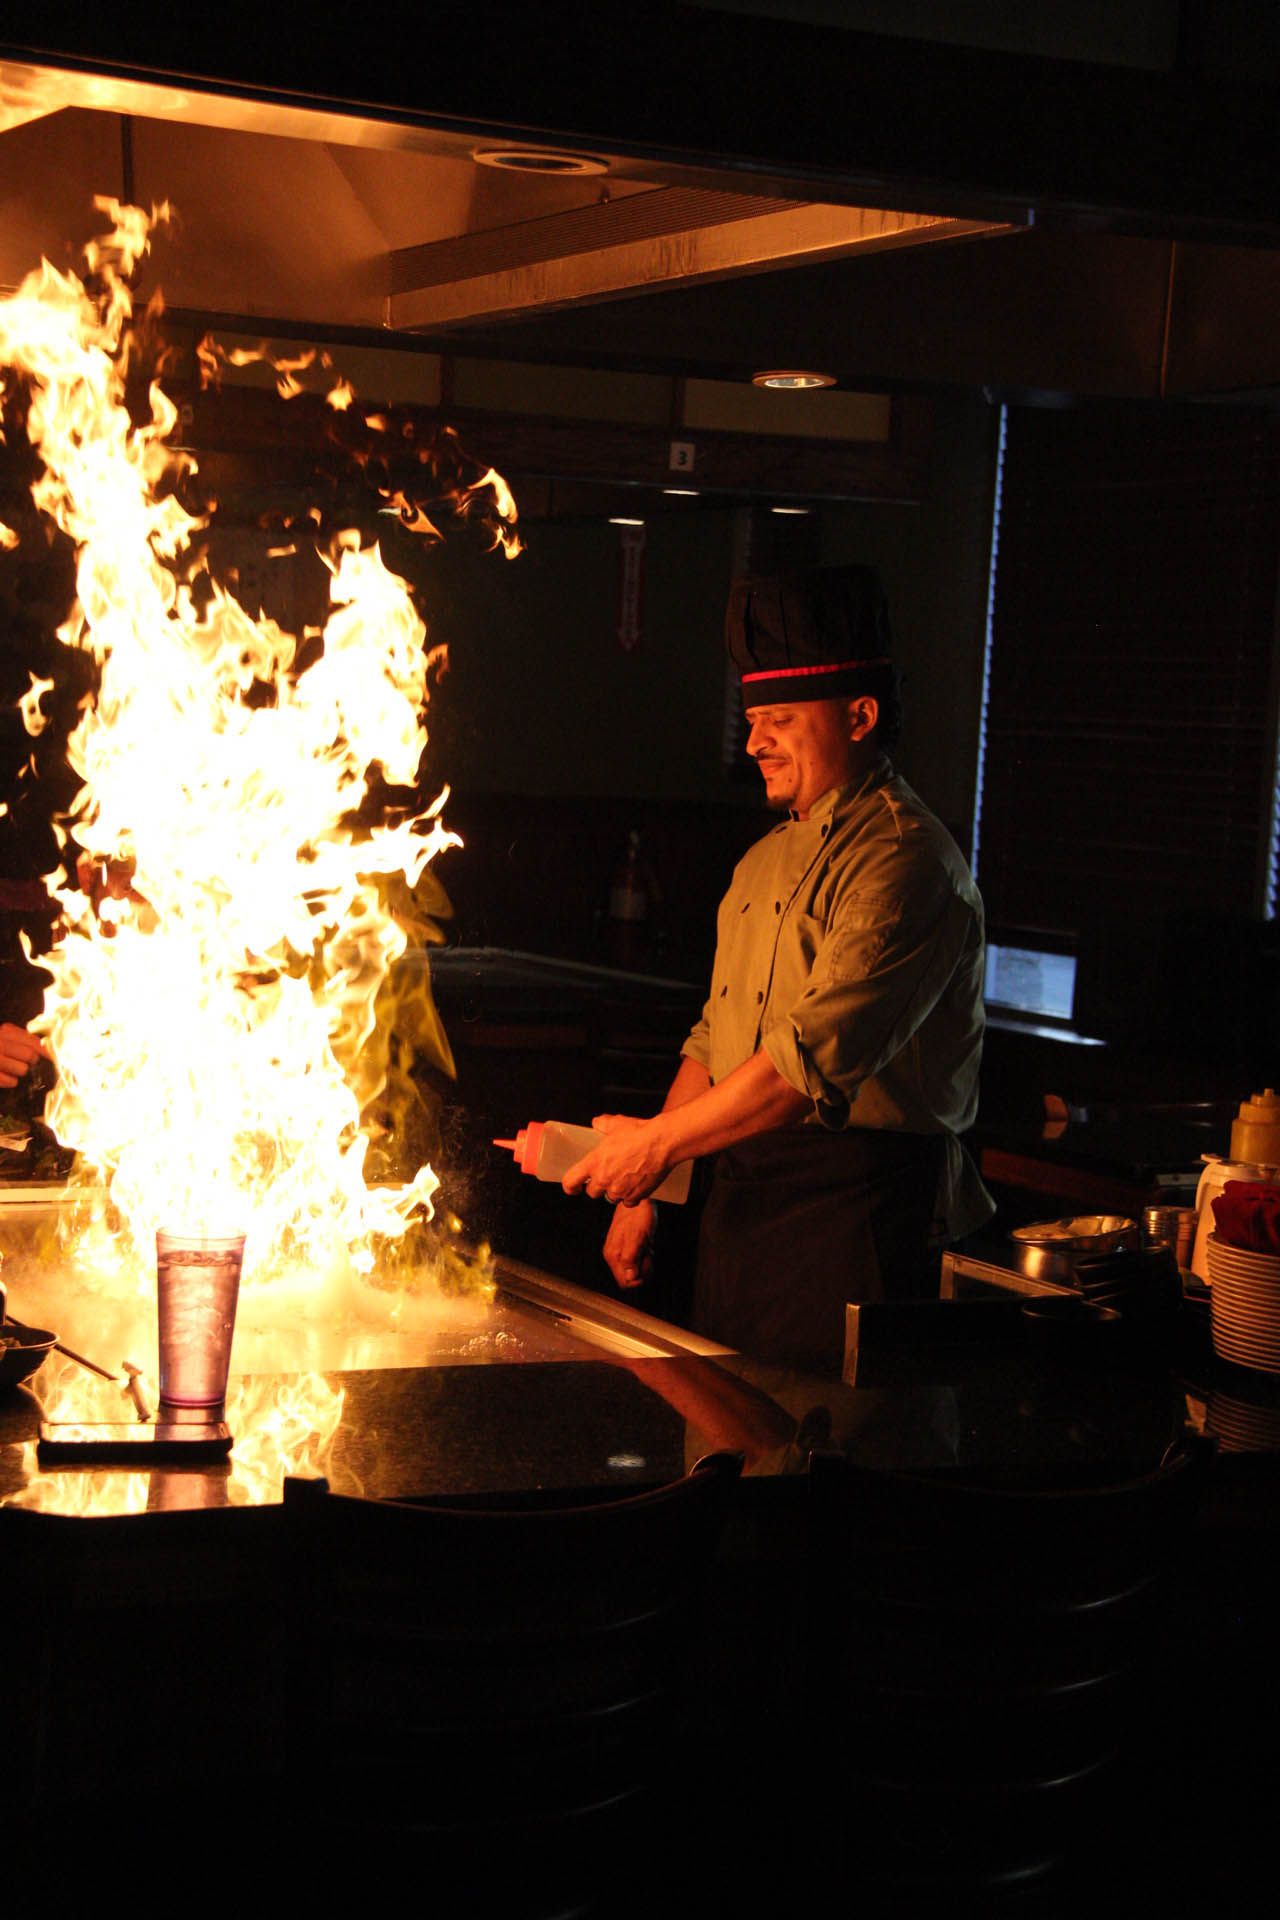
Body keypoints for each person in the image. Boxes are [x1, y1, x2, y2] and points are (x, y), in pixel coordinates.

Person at [563, 563, 992, 1375]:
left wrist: (656, 1147)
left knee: (831, 1443)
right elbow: (714, 1040)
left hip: (857, 1218)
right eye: (754, 718)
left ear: (860, 716)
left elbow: (804, 1064)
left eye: (781, 720)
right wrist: (654, 1181)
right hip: (743, 1206)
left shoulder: (905, 861)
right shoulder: (760, 862)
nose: (755, 741)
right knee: (727, 1430)